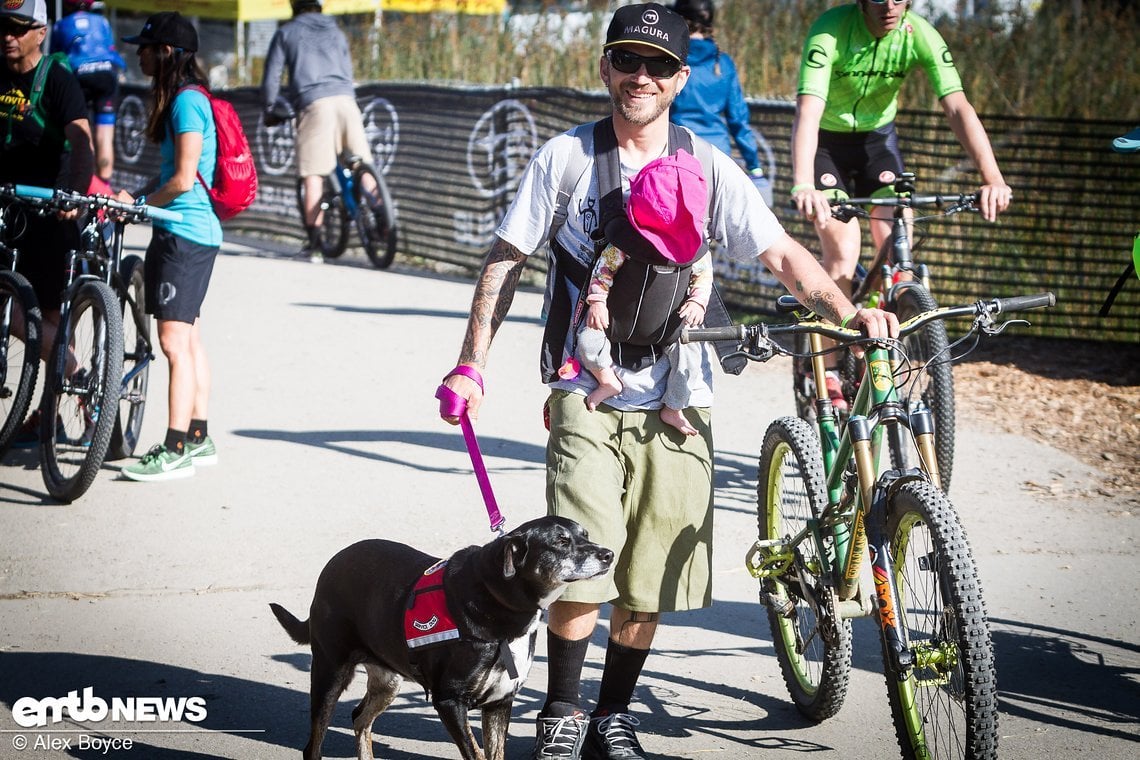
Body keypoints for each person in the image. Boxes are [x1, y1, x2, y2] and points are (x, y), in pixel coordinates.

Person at [438, 4, 897, 759]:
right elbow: (506, 258)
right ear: (604, 68)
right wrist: (470, 362)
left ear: (683, 77)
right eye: (627, 60)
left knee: (651, 576)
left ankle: (610, 718)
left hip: (682, 393)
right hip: (582, 386)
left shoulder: (709, 166)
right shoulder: (566, 158)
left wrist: (851, 312)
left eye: (658, 65)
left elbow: (780, 253)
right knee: (578, 560)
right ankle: (561, 712)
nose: (639, 77)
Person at [789, 0, 1012, 409]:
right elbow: (808, 109)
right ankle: (830, 366)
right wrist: (804, 183)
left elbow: (958, 105)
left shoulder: (919, 33)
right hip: (828, 148)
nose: (890, 6)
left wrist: (992, 177)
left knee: (900, 241)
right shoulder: (831, 29)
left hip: (877, 145)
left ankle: (881, 309)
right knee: (841, 254)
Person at [116, 12, 220, 482]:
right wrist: (138, 196)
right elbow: (172, 176)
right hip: (188, 232)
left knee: (174, 342)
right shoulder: (187, 99)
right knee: (190, 338)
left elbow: (182, 179)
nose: (139, 53)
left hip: (185, 233)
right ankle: (198, 438)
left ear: (167, 53)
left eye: (146, 46)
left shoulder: (185, 103)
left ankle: (175, 447)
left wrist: (138, 204)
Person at [1, 0, 94, 445]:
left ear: (40, 32)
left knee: (51, 314)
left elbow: (82, 140)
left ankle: (59, 395)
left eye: (18, 28)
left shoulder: (57, 78)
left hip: (48, 213)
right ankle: (66, 369)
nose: (8, 36)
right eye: (3, 27)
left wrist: (72, 196)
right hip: (7, 207)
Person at [569, 149, 712, 437]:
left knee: (690, 357)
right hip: (616, 322)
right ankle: (607, 379)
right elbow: (603, 270)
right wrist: (597, 301)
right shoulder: (626, 242)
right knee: (586, 340)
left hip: (669, 328)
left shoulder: (695, 247)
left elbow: (703, 275)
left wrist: (697, 301)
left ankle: (673, 406)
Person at [260, 0, 377, 263]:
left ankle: (313, 246)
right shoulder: (336, 30)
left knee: (313, 175)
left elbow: (272, 78)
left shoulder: (286, 32)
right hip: (347, 101)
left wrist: (269, 107)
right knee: (361, 163)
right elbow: (347, 69)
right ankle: (383, 217)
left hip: (314, 103)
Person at [668, 0, 771, 206]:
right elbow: (738, 119)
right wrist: (754, 165)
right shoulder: (723, 63)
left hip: (676, 154)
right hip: (718, 159)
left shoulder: (669, 61)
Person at [51, 0, 125, 185]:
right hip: (107, 73)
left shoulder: (61, 24)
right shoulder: (102, 21)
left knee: (82, 131)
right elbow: (111, 48)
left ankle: (87, 184)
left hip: (78, 74)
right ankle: (105, 186)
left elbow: (55, 58)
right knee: (105, 136)